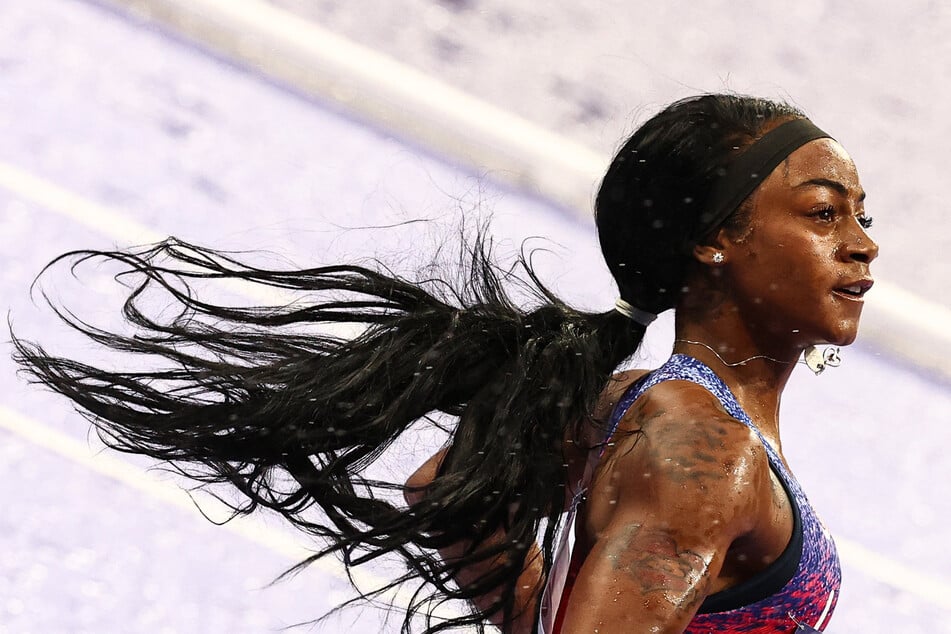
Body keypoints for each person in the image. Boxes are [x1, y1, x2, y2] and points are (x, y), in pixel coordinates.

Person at [12, 93, 876, 633]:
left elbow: (444, 488)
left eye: (860, 215)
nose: (862, 246)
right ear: (711, 243)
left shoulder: (638, 405)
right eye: (822, 214)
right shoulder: (706, 455)